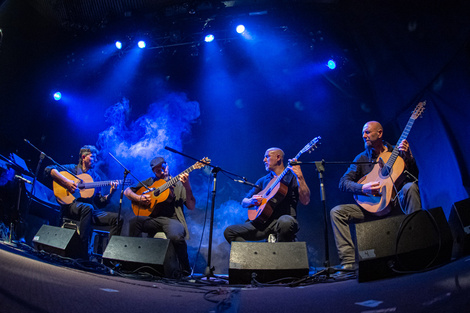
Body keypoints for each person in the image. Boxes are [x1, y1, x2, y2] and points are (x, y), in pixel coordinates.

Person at [330, 121, 422, 271]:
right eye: (363, 134)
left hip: (394, 202)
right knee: (337, 212)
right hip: (371, 207)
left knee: (410, 187)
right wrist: (362, 188)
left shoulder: (396, 151)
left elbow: (415, 177)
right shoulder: (361, 158)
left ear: (379, 133)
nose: (364, 136)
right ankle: (348, 263)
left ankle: (418, 244)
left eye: (367, 132)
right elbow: (343, 183)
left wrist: (409, 157)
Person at [44, 145, 123, 259]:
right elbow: (49, 169)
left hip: (88, 210)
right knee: (88, 208)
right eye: (93, 157)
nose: (95, 160)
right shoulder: (72, 169)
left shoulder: (96, 178)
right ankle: (82, 252)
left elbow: (99, 202)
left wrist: (111, 193)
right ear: (83, 157)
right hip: (70, 206)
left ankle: (111, 258)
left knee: (118, 218)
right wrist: (66, 182)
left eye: (96, 158)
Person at [124, 157, 195, 276]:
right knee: (134, 221)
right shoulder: (151, 182)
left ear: (167, 165)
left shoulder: (178, 182)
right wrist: (139, 198)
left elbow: (191, 206)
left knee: (176, 236)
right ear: (153, 172)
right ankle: (132, 262)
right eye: (158, 171)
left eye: (163, 168)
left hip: (172, 220)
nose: (162, 172)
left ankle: (185, 268)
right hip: (153, 219)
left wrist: (187, 186)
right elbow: (127, 191)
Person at [224, 147, 311, 243]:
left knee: (285, 221)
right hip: (262, 224)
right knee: (229, 232)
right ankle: (252, 255)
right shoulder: (263, 181)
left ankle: (281, 253)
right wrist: (251, 201)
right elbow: (244, 202)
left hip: (283, 222)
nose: (264, 160)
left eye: (267, 157)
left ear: (278, 157)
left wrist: (300, 176)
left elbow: (305, 200)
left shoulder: (292, 177)